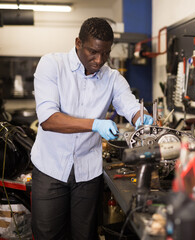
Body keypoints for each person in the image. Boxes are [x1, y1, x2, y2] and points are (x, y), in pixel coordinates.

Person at [31, 17, 153, 239]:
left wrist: (141, 117)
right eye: (93, 52)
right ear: (78, 42)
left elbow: (130, 105)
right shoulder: (52, 65)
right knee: (47, 234)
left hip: (87, 172)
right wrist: (94, 125)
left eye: (105, 53)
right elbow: (48, 120)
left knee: (84, 235)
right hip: (50, 168)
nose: (99, 60)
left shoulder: (112, 77)